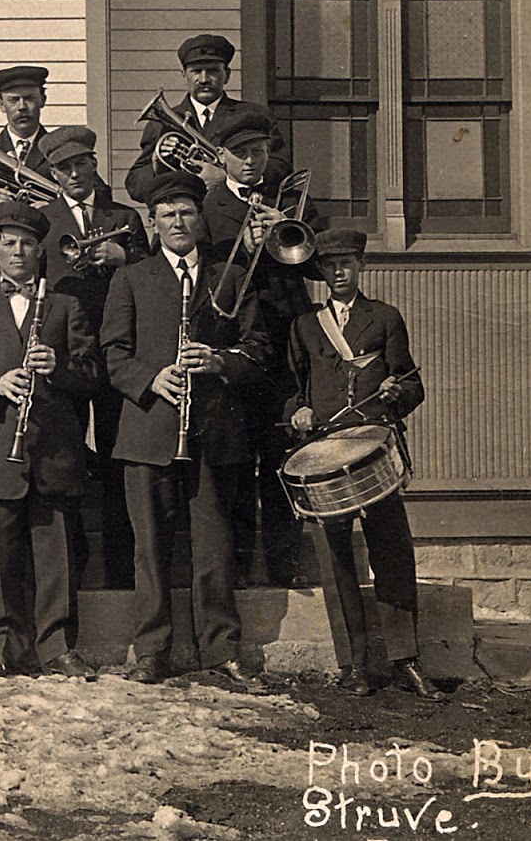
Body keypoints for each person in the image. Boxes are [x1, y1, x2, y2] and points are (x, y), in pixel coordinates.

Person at [101, 172, 271, 688]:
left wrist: (219, 361)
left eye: (187, 212)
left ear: (200, 219)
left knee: (214, 545)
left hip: (214, 430)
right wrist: (152, 379)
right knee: (150, 548)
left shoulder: (230, 276)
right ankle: (152, 650)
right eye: (167, 214)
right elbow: (113, 353)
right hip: (149, 429)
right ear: (152, 222)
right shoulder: (131, 278)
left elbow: (259, 349)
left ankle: (220, 649)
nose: (178, 222)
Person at [287, 229, 444, 701]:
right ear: (319, 271)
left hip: (373, 450)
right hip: (325, 455)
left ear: (361, 266)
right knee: (336, 561)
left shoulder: (385, 317)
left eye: (347, 263)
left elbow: (412, 383)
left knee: (392, 554)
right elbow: (291, 387)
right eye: (329, 265)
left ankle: (405, 660)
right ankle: (353, 664)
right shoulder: (304, 325)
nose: (338, 272)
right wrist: (298, 409)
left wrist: (397, 393)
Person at [0, 200, 102, 678]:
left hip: (54, 451)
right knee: (0, 558)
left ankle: (57, 646)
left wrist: (59, 368)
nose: (18, 251)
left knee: (56, 556)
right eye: (9, 243)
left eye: (27, 244)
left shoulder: (65, 306)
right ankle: (2, 647)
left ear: (40, 251)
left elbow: (91, 373)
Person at [201, 110, 322, 588]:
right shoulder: (208, 205)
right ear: (222, 157)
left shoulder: (290, 199)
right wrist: (247, 251)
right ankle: (237, 571)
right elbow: (205, 272)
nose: (251, 161)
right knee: (234, 461)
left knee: (282, 459)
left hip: (287, 343)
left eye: (259, 151)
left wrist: (286, 227)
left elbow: (320, 264)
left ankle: (284, 567)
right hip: (236, 346)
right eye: (240, 153)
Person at [36, 125, 147, 588]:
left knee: (119, 457)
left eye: (81, 163)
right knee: (67, 458)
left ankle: (121, 570)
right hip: (69, 357)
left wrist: (125, 257)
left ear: (95, 164)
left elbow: (152, 276)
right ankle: (75, 569)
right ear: (53, 174)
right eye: (64, 168)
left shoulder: (125, 217)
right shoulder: (43, 221)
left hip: (119, 351)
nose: (75, 174)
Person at [125, 33, 292, 204]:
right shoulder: (160, 123)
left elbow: (280, 167)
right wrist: (157, 166)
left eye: (212, 71)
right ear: (184, 76)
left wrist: (228, 178)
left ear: (227, 75)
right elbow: (135, 186)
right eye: (196, 71)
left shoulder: (254, 115)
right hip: (186, 214)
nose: (204, 79)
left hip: (234, 212)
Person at [0, 66, 112, 204]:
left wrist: (56, 209)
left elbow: (102, 195)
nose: (22, 107)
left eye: (29, 98)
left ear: (43, 100)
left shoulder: (61, 148)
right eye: (13, 100)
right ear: (1, 105)